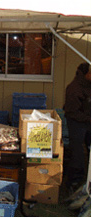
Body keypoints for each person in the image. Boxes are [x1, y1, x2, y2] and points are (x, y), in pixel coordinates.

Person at [64, 62, 91, 191]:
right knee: (77, 152)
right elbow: (72, 112)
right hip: (76, 122)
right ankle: (74, 181)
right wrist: (88, 119)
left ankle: (87, 177)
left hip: (88, 121)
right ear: (86, 74)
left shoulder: (88, 85)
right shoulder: (73, 89)